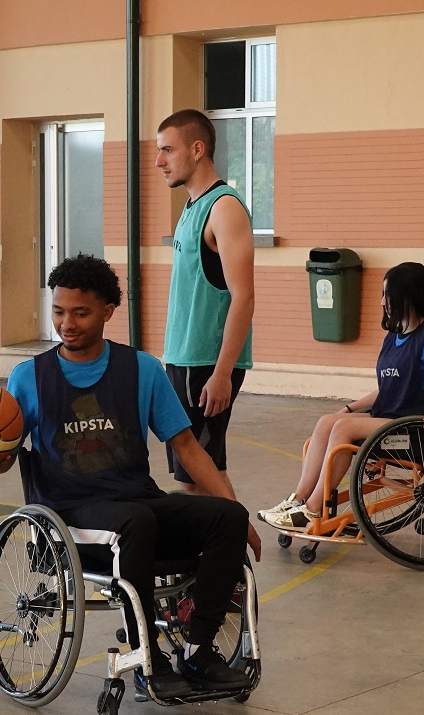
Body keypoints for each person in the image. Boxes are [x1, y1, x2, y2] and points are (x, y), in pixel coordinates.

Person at [0, 254, 262, 701]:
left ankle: (199, 651)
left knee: (227, 518)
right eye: (58, 311)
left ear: (107, 311)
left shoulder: (141, 369)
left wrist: (238, 512)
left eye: (80, 313)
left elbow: (186, 446)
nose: (67, 324)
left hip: (137, 501)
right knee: (136, 523)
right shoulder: (29, 377)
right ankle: (146, 656)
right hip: (68, 514)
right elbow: (9, 454)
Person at [259, 263, 424, 531]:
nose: (382, 302)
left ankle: (311, 510)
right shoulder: (393, 336)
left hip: (418, 430)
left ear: (409, 296)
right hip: (390, 421)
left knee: (343, 428)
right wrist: (350, 408)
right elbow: (390, 387)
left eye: (387, 295)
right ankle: (297, 500)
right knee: (327, 421)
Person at [155, 109, 255, 498]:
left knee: (197, 476)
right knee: (201, 473)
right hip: (183, 359)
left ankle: (235, 536)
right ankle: (234, 535)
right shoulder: (192, 207)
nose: (159, 161)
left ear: (197, 150)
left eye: (167, 150)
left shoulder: (224, 207)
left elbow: (243, 296)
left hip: (206, 364)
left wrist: (222, 373)